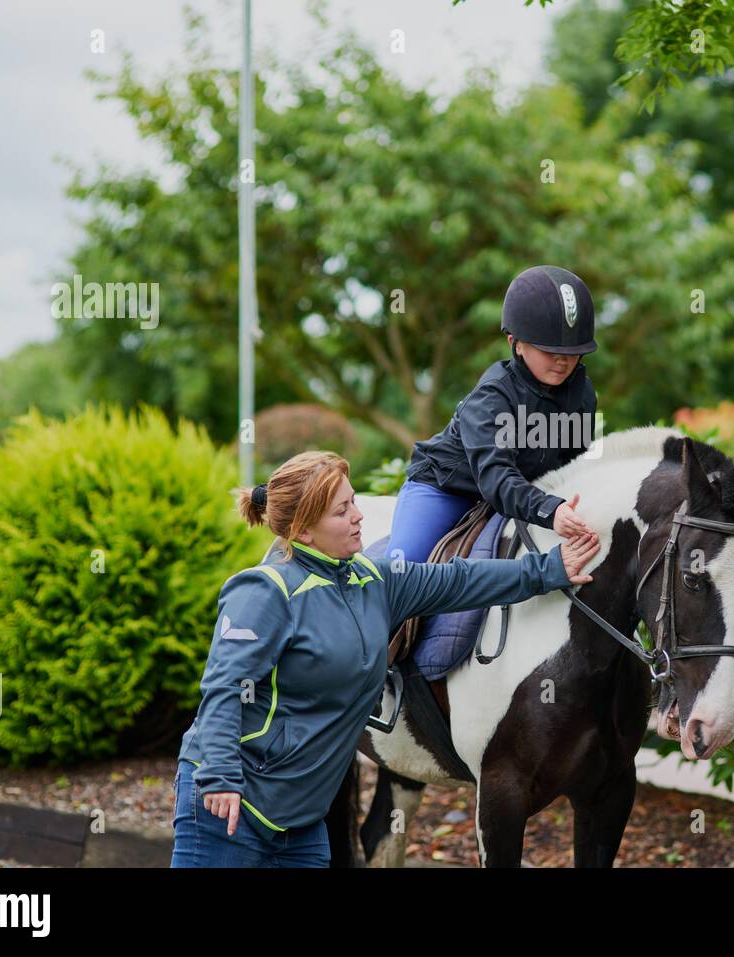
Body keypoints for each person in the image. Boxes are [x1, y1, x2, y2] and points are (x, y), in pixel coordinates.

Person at [170, 449, 599, 867]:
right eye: (341, 511)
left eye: (353, 501)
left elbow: (460, 579)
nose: (358, 515)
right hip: (230, 804)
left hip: (301, 823)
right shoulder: (266, 592)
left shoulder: (375, 581)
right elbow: (225, 688)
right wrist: (222, 776)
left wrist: (549, 569)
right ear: (302, 531)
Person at [389, 264, 601, 565]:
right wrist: (549, 510)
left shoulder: (582, 394)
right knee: (402, 570)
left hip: (525, 493)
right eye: (549, 350)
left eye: (571, 352)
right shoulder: (492, 397)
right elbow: (497, 478)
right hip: (448, 491)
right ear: (516, 344)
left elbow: (576, 465)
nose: (562, 361)